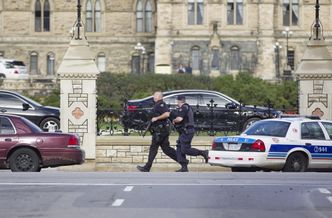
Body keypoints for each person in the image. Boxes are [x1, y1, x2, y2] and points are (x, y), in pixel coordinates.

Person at [137, 91, 179, 172]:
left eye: (155, 96)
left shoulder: (161, 104)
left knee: (153, 148)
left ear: (160, 97)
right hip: (161, 131)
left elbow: (167, 114)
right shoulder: (157, 104)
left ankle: (147, 167)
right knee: (166, 149)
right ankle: (183, 161)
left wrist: (156, 118)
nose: (153, 97)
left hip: (160, 132)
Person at [172, 95, 208, 172]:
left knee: (185, 149)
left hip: (187, 131)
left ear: (180, 101)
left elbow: (179, 119)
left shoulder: (184, 107)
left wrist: (174, 120)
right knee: (179, 148)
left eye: (177, 101)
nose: (177, 103)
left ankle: (203, 153)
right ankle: (184, 167)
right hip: (185, 131)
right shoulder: (187, 107)